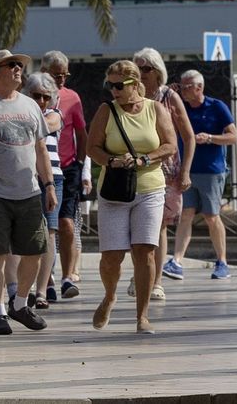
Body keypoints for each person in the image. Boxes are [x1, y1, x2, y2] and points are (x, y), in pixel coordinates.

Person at [0, 50, 57, 337]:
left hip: (28, 192)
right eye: (11, 65)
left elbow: (41, 148)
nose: (18, 69)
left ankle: (19, 304)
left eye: (19, 65)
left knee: (35, 252)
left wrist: (49, 184)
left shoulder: (30, 106)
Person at [86, 59, 176, 333]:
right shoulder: (106, 111)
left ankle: (142, 315)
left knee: (144, 252)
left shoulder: (155, 109)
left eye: (119, 85)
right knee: (112, 256)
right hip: (114, 190)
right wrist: (111, 161)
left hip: (149, 188)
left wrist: (144, 158)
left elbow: (170, 144)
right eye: (110, 85)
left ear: (136, 84)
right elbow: (92, 147)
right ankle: (110, 295)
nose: (113, 90)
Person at [166, 68, 237, 279]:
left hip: (211, 171)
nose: (184, 91)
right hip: (187, 169)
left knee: (211, 216)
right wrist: (167, 93)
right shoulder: (180, 106)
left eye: (187, 87)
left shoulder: (216, 107)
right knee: (185, 214)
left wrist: (210, 138)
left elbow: (234, 136)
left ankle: (222, 262)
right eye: (181, 86)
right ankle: (177, 261)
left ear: (199, 87)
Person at [133, 47, 193, 301]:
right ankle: (141, 276)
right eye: (138, 69)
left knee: (158, 227)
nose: (141, 74)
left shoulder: (169, 97)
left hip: (166, 172)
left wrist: (186, 171)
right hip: (136, 169)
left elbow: (188, 136)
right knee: (137, 229)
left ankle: (156, 282)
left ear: (157, 71)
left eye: (146, 69)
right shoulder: (131, 96)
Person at [41, 51, 88, 301]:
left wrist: (80, 164)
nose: (61, 80)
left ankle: (68, 276)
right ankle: (45, 278)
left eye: (64, 75)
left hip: (67, 168)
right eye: (57, 75)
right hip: (42, 167)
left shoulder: (72, 98)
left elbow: (82, 134)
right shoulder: (33, 95)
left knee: (67, 223)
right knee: (45, 227)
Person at [23, 73, 65, 308]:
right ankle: (24, 287)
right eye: (35, 95)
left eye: (45, 97)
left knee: (50, 232)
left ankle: (41, 290)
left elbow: (44, 126)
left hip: (52, 179)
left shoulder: (55, 115)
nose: (40, 100)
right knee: (26, 233)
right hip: (26, 177)